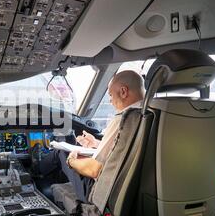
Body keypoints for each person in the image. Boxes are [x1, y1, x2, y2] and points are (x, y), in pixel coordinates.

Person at [40, 70, 145, 202]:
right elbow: (126, 149)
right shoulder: (148, 116)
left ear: (123, 92)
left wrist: (71, 161)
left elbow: (93, 170)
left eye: (111, 95)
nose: (111, 101)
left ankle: (36, 175)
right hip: (128, 188)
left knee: (61, 152)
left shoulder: (123, 119)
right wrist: (97, 144)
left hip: (101, 191)